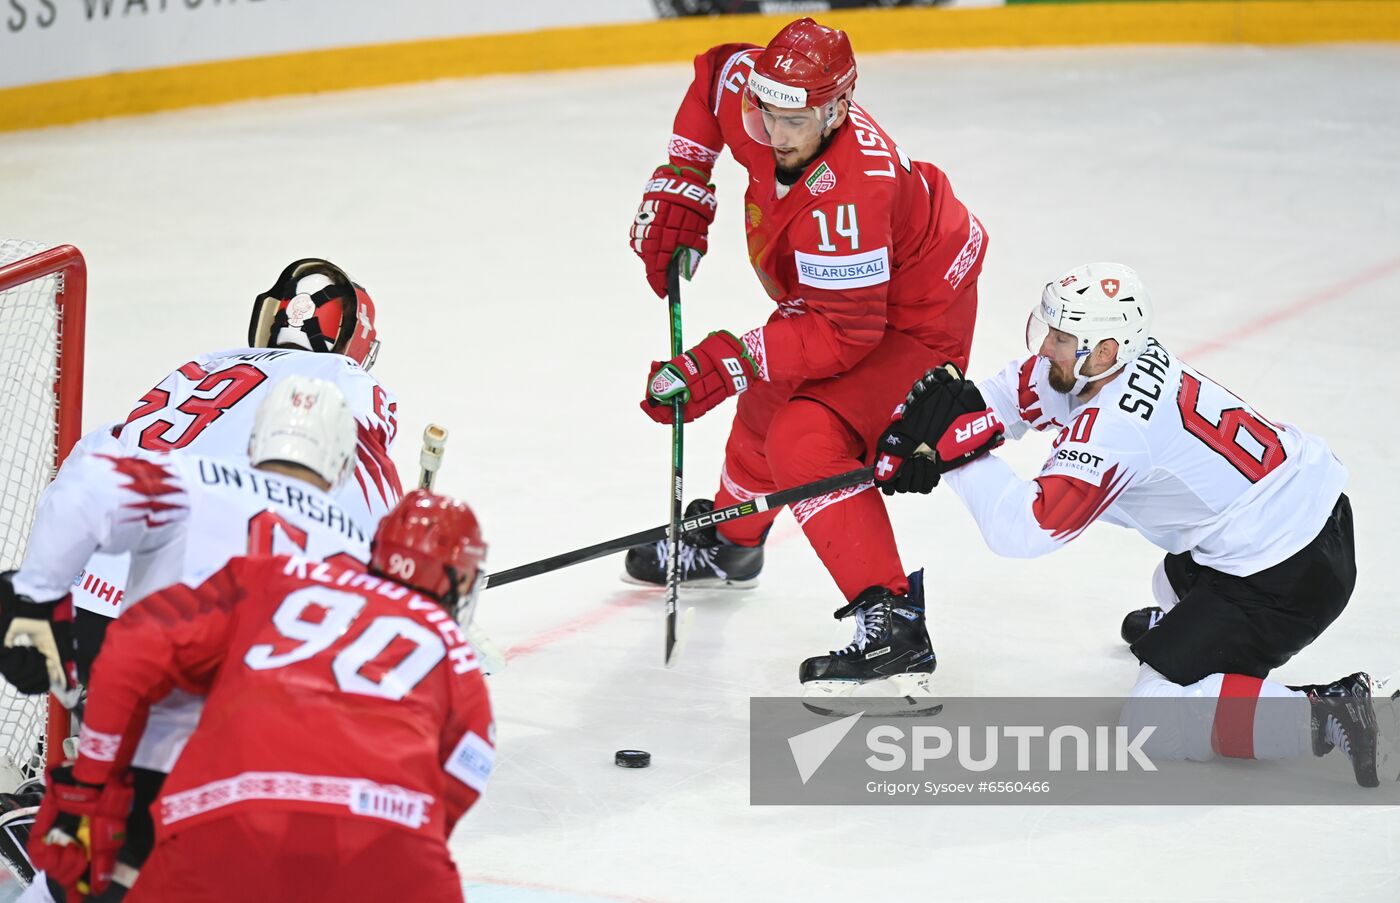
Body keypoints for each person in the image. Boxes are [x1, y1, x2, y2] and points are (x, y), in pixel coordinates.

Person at [873, 261, 1382, 786]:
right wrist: (954, 426)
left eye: (1061, 337)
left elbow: (1023, 529)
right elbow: (1014, 395)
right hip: (1292, 520)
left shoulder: (1117, 425)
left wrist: (953, 458)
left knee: (1156, 721)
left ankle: (1328, 713)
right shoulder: (1107, 365)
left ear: (1106, 350)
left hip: (1288, 575)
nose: (1046, 346)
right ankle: (1191, 630)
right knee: (1167, 580)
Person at [625, 16, 987, 701]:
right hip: (843, 300)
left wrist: (730, 357)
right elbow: (711, 80)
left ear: (838, 109)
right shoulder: (762, 99)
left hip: (913, 321)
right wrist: (684, 174)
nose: (776, 134)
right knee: (767, 402)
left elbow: (842, 335)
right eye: (766, 112)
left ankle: (894, 623)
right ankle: (733, 544)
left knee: (804, 433)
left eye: (796, 120)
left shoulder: (851, 193)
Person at [0, 376, 375, 899]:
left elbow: (78, 499)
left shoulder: (192, 475)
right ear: (341, 464)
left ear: (254, 441)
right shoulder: (361, 541)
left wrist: (35, 600)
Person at [29, 490, 492, 903]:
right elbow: (459, 787)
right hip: (387, 851)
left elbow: (130, 650)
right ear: (462, 582)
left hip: (224, 825)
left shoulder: (278, 577)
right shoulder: (458, 657)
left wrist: (93, 781)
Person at [20, 257, 401, 678]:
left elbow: (96, 451)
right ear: (356, 345)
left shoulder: (202, 366)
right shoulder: (340, 379)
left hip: (79, 604)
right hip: (180, 617)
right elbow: (363, 480)